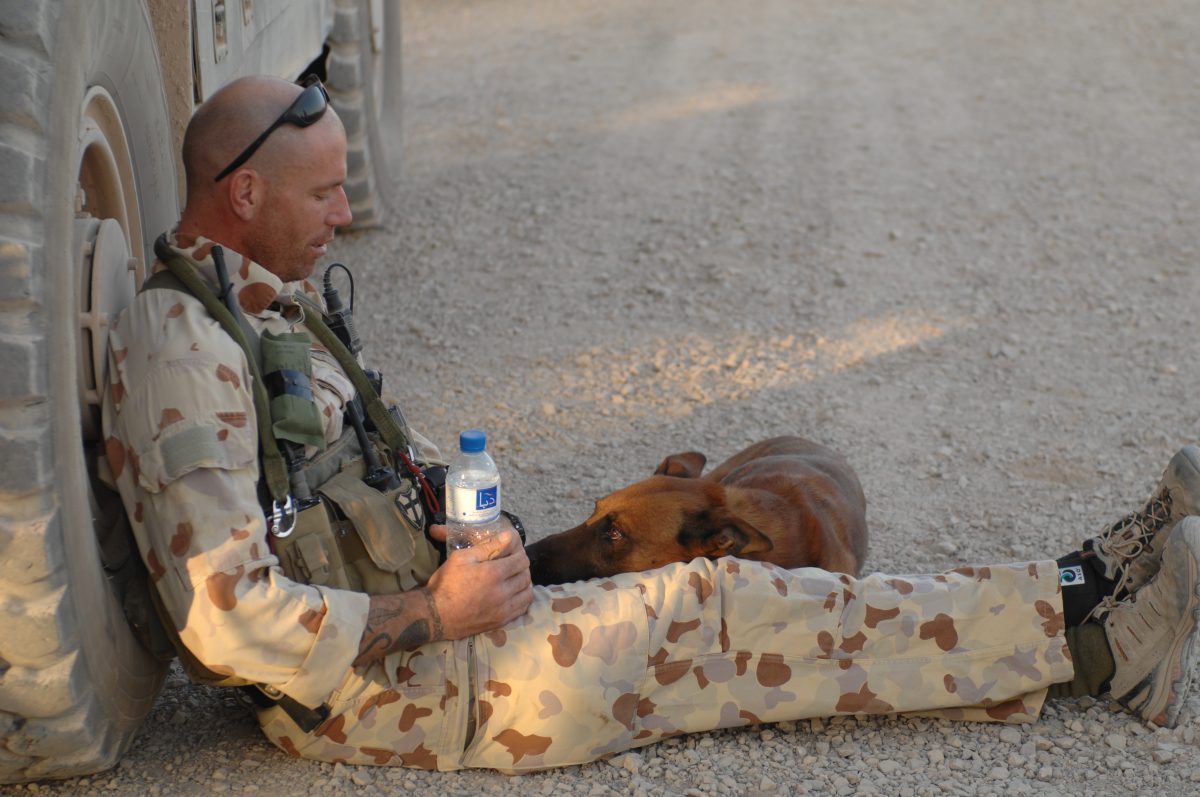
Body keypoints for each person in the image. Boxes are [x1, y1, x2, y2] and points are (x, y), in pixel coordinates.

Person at [101, 74, 1200, 774]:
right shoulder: (182, 352)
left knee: (740, 602)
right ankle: (1092, 632)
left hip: (428, 640)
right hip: (372, 697)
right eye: (322, 195)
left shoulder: (256, 312)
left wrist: (461, 525)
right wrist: (434, 611)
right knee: (721, 607)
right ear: (241, 196)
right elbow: (226, 620)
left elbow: (361, 472)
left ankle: (1086, 586)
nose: (346, 217)